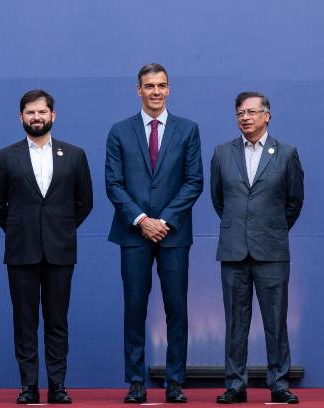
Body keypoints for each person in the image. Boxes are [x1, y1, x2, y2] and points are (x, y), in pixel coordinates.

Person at [0, 89, 93, 404]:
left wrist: (58, 229)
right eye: (30, 113)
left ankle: (58, 385)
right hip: (21, 251)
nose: (37, 117)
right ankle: (29, 386)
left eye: (42, 112)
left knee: (57, 321)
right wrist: (21, 229)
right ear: (21, 117)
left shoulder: (74, 155)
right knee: (25, 322)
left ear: (53, 115)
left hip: (60, 251)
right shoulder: (6, 156)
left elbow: (84, 202)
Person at [105, 63, 203, 404]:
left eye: (161, 85)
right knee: (134, 308)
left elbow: (194, 182)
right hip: (133, 234)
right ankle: (135, 381)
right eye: (149, 86)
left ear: (169, 88)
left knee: (176, 308)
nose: (156, 91)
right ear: (138, 90)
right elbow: (113, 184)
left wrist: (165, 221)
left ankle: (175, 381)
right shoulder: (119, 131)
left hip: (173, 235)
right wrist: (142, 219)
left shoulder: (188, 130)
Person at [210, 92, 304, 405]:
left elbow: (294, 202)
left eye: (252, 111)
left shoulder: (286, 153)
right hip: (234, 249)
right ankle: (235, 385)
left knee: (275, 321)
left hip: (272, 250)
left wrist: (271, 229)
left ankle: (279, 384)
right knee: (235, 323)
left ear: (267, 115)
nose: (245, 117)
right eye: (240, 113)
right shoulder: (222, 153)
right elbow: (218, 199)